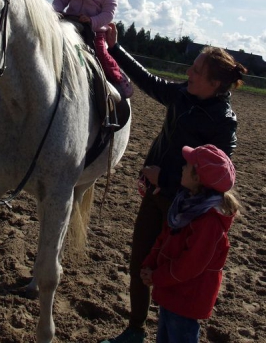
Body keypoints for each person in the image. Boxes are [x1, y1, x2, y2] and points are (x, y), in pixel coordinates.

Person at [101, 23, 247, 343]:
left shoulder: (223, 123)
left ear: (215, 83)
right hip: (155, 194)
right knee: (139, 261)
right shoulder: (183, 93)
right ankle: (135, 329)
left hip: (184, 209)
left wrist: (166, 178)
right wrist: (115, 47)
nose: (189, 72)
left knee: (175, 275)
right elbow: (149, 81)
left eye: (196, 70)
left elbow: (216, 179)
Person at [140, 144, 240, 343]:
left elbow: (189, 265)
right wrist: (150, 263)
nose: (182, 168)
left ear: (197, 179)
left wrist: (157, 276)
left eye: (187, 166)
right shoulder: (185, 204)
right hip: (172, 293)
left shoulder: (208, 222)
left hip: (186, 299)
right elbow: (166, 236)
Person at [52, 0, 133, 98]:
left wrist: (92, 20)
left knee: (101, 55)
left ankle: (118, 77)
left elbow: (109, 13)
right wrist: (55, 11)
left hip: (94, 31)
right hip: (71, 25)